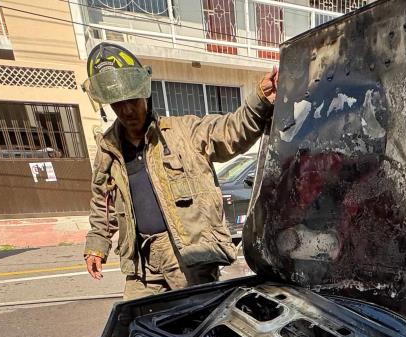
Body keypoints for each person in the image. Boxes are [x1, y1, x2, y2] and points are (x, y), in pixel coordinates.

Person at [81, 42, 277, 299]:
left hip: (188, 258)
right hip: (142, 264)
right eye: (118, 104)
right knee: (139, 326)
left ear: (145, 93)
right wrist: (97, 243)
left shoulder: (184, 132)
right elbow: (102, 202)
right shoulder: (109, 149)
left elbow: (232, 131)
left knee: (197, 326)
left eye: (132, 100)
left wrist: (260, 101)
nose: (127, 110)